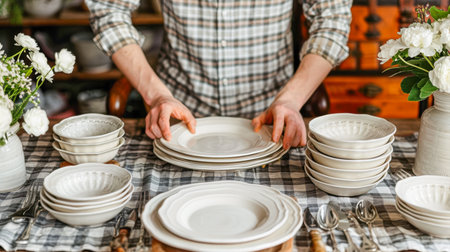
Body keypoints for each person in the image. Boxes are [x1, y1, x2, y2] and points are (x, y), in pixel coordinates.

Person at [85, 0, 351, 149]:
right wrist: (156, 96)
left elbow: (332, 19)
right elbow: (108, 10)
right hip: (176, 123)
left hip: (272, 126)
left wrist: (291, 100)